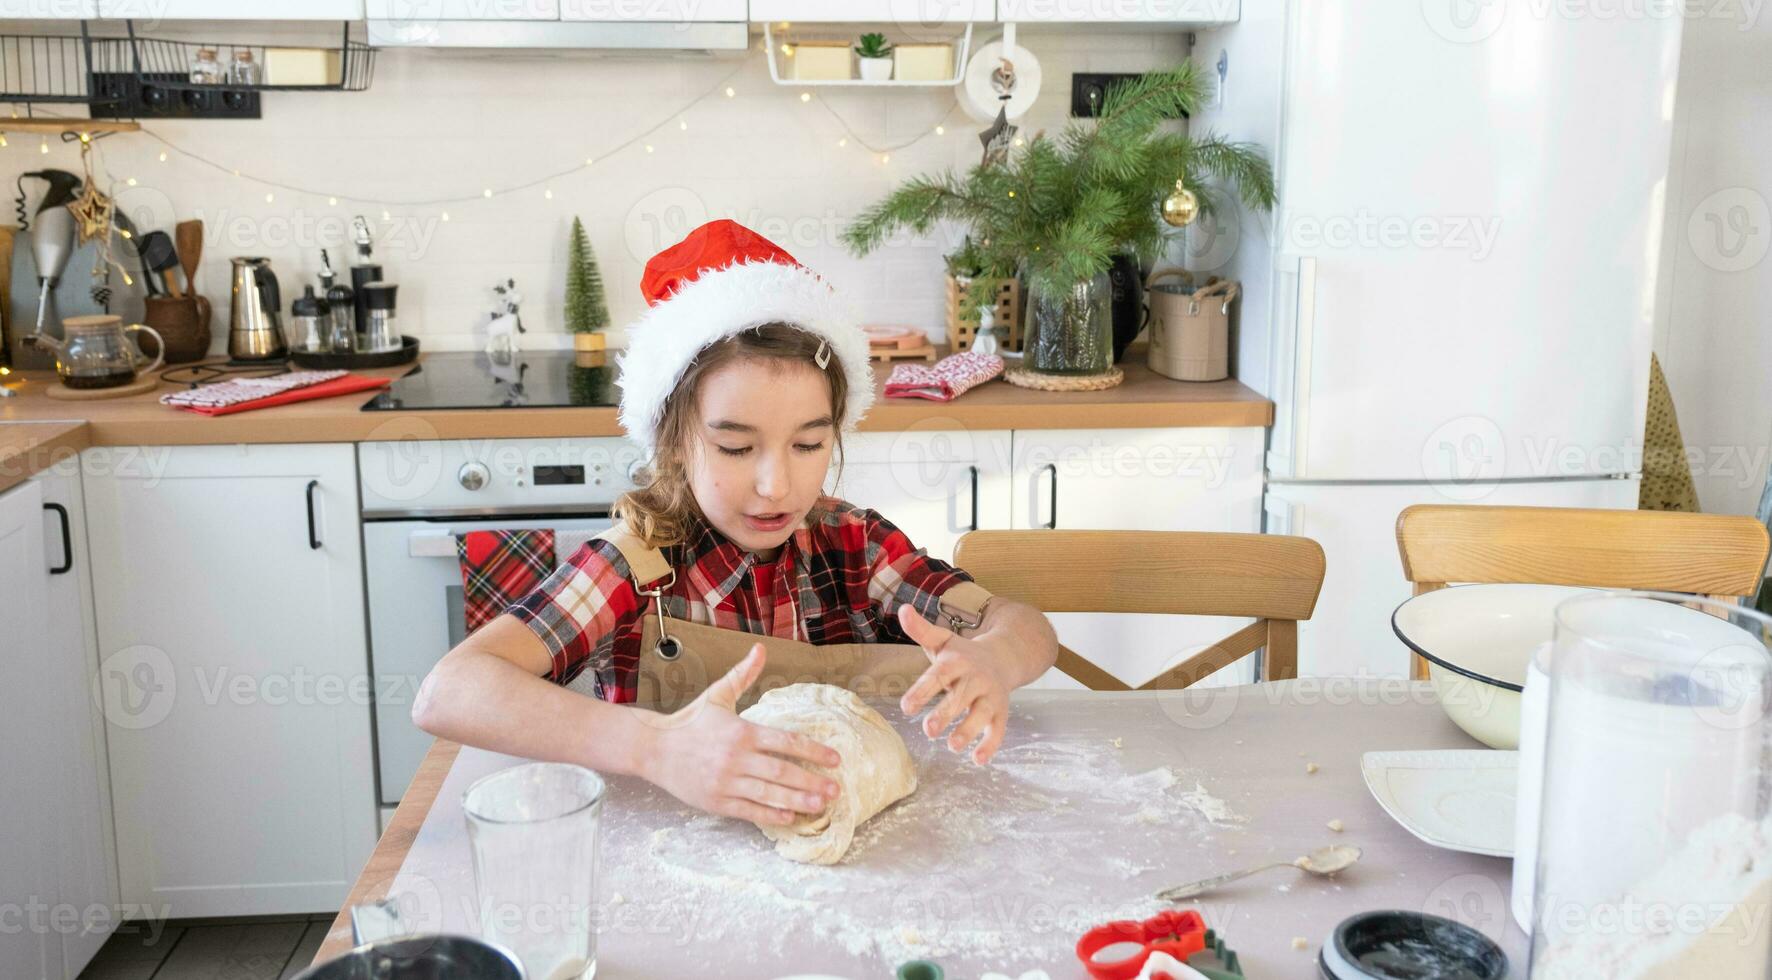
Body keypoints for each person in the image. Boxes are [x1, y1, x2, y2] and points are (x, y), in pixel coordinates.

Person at [412, 219, 1059, 829]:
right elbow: (450, 692)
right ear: (672, 443)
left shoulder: (854, 546)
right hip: (668, 873)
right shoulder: (637, 567)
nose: (777, 486)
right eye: (735, 448)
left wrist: (993, 659)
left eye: (808, 445)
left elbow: (1023, 626)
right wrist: (655, 746)